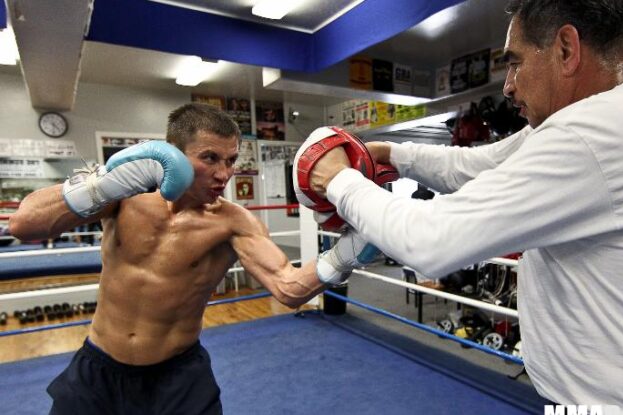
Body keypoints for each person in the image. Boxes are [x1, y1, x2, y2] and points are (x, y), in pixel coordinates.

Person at [308, 0, 623, 410]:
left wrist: (336, 178)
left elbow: (431, 241)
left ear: (566, 49)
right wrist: (390, 154)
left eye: (515, 62)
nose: (508, 85)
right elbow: (475, 165)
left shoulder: (593, 137)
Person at [9, 103, 373, 414]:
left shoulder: (233, 223)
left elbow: (288, 287)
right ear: (174, 153)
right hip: (98, 368)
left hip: (178, 378)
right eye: (209, 158)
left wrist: (346, 254)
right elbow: (24, 224)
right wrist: (105, 182)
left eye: (231, 160)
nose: (224, 174)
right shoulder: (125, 199)